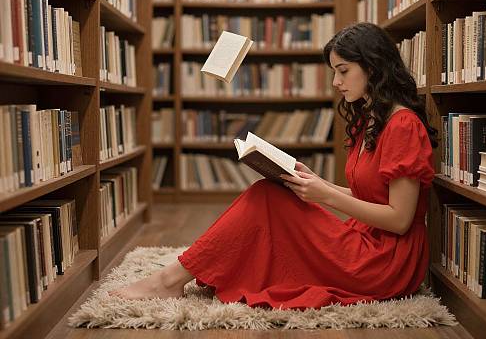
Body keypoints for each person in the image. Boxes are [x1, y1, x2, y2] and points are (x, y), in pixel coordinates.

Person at [110, 22, 437, 309]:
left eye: (343, 71)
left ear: (374, 67)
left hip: (384, 264)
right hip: (367, 241)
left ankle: (169, 280)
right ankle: (174, 276)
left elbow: (399, 219)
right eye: (334, 72)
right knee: (270, 193)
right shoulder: (374, 119)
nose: (336, 82)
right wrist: (318, 182)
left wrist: (325, 195)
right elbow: (373, 194)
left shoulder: (403, 125)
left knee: (267, 198)